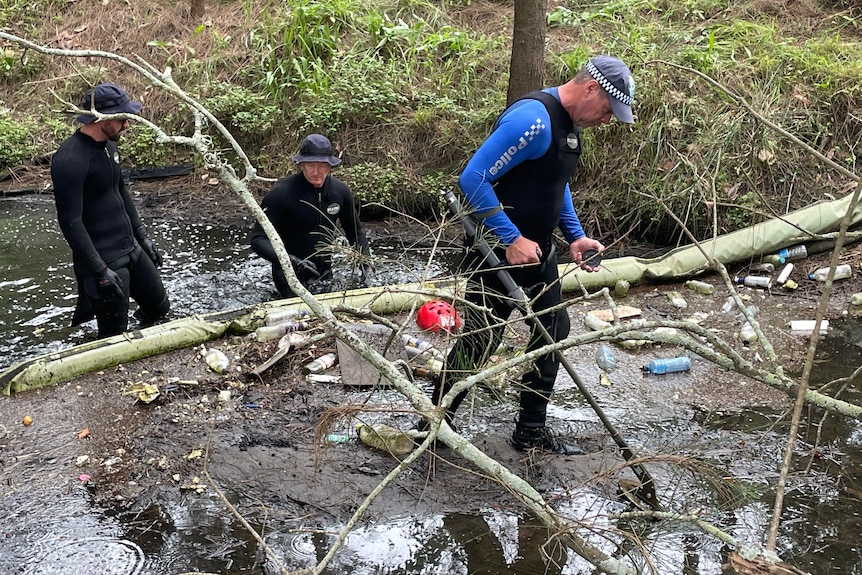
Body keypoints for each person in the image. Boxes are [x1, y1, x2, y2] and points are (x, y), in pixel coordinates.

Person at [429, 55, 635, 454]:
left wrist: (574, 236)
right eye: (608, 111)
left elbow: (555, 184)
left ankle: (530, 431)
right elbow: (472, 178)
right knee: (482, 340)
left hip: (539, 251)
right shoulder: (533, 119)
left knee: (553, 331)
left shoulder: (570, 129)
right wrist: (510, 237)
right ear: (592, 88)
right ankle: (434, 422)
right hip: (496, 252)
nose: (607, 120)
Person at [51, 82, 170, 339]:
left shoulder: (109, 145)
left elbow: (121, 192)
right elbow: (70, 221)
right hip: (105, 259)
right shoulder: (70, 159)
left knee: (159, 309)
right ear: (99, 118)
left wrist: (143, 236)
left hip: (131, 248)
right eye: (122, 118)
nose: (127, 125)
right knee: (114, 336)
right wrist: (99, 269)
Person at [250, 134, 370, 297]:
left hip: (325, 275)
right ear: (301, 164)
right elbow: (258, 240)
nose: (316, 172)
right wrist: (291, 261)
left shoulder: (340, 192)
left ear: (330, 165)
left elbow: (356, 233)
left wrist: (366, 266)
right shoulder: (280, 194)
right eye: (310, 165)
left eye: (322, 166)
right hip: (288, 276)